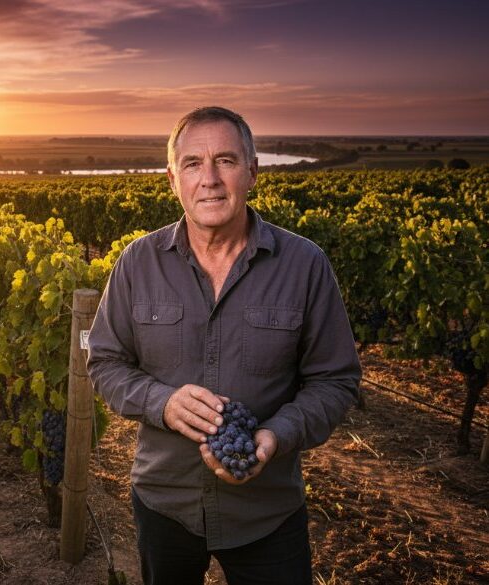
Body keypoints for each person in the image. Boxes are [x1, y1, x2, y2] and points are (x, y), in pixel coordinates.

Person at [86, 106, 361, 585]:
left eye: (226, 161)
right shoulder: (137, 263)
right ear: (173, 179)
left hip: (267, 513)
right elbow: (106, 361)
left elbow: (335, 381)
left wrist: (277, 435)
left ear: (252, 171)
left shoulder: (304, 264)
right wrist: (162, 402)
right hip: (164, 503)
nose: (209, 179)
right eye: (193, 164)